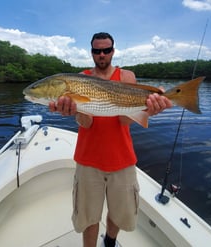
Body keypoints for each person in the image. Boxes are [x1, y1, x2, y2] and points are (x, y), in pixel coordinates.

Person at [49, 32, 172, 247]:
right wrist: (75, 111)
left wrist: (147, 110)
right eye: (97, 51)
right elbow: (87, 123)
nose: (102, 54)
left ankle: (110, 241)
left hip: (122, 158)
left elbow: (124, 121)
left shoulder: (126, 77)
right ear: (92, 53)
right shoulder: (81, 78)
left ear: (113, 51)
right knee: (88, 218)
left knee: (118, 214)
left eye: (106, 50)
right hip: (88, 159)